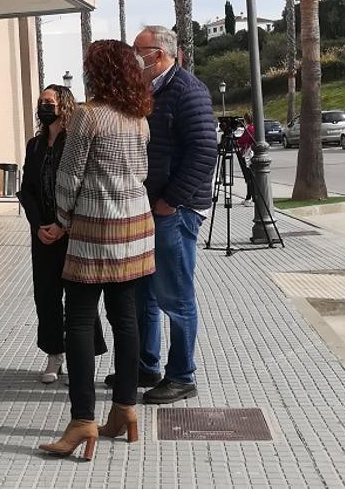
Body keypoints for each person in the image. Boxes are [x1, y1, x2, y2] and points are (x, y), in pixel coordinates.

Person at [38, 40, 155, 461]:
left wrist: (62, 221)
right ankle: (125, 408)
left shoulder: (88, 117)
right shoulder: (138, 117)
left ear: (100, 72)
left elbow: (67, 179)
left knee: (80, 322)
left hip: (95, 229)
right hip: (136, 227)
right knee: (125, 318)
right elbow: (142, 171)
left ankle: (81, 420)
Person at [126, 25, 218, 405]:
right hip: (151, 209)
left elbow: (203, 150)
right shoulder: (151, 91)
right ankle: (147, 365)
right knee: (145, 292)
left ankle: (181, 374)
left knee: (175, 295)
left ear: (159, 54)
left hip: (173, 211)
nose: (133, 58)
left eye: (138, 51)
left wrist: (172, 201)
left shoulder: (186, 90)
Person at [17, 85, 106, 385]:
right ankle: (54, 354)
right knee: (46, 296)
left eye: (49, 102)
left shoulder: (76, 142)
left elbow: (84, 186)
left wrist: (62, 224)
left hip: (73, 232)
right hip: (42, 234)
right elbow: (26, 188)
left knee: (79, 297)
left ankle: (84, 358)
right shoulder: (35, 145)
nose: (44, 106)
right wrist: (38, 224)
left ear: (64, 105)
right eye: (41, 101)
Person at [237, 112, 256, 207]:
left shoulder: (249, 129)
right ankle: (249, 197)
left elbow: (243, 140)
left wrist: (237, 141)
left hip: (249, 154)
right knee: (250, 178)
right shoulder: (254, 127)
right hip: (250, 153)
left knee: (249, 178)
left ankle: (251, 198)